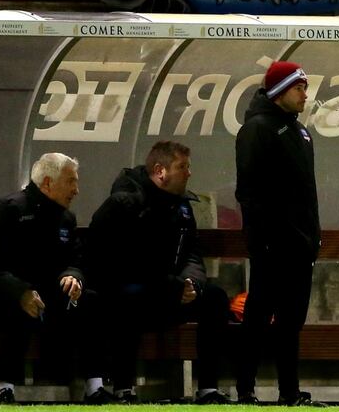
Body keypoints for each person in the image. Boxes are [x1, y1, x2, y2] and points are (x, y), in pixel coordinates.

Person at [85, 141, 232, 404]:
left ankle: (208, 389)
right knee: (124, 299)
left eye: (189, 166)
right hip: (132, 293)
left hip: (172, 292)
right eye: (182, 167)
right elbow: (119, 262)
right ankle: (123, 389)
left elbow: (191, 252)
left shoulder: (183, 207)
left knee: (215, 298)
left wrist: (192, 283)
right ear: (160, 171)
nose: (189, 173)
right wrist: (173, 285)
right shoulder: (125, 203)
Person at [0, 153, 114, 404]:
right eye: (71, 182)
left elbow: (76, 260)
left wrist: (73, 277)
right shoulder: (8, 209)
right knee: (20, 306)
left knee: (90, 301)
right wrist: (20, 291)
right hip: (0, 296)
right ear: (47, 183)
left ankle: (94, 387)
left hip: (47, 297)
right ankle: (5, 387)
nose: (76, 190)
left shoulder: (66, 219)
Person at [235, 61, 324, 406]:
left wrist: (313, 235)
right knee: (258, 316)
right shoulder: (257, 129)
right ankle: (246, 389)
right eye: (298, 87)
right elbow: (250, 191)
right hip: (273, 245)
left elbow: (306, 191)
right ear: (279, 91)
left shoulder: (300, 132)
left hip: (301, 245)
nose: (305, 94)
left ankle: (290, 391)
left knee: (292, 321)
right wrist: (267, 236)